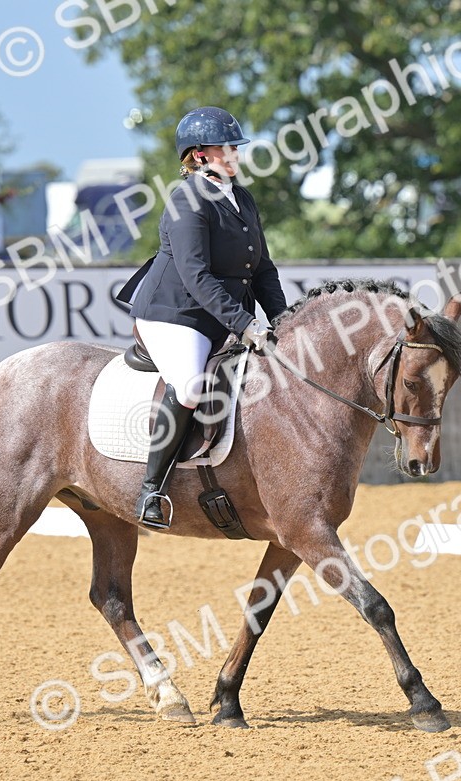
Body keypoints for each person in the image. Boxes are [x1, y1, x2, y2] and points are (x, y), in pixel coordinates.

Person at [126, 106, 289, 530]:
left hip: (222, 315)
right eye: (228, 146)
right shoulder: (186, 199)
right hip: (176, 315)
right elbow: (196, 275)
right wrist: (245, 324)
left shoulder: (242, 197)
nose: (236, 152)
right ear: (199, 155)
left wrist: (283, 321)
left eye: (236, 145)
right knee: (192, 386)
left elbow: (263, 268)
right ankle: (151, 491)